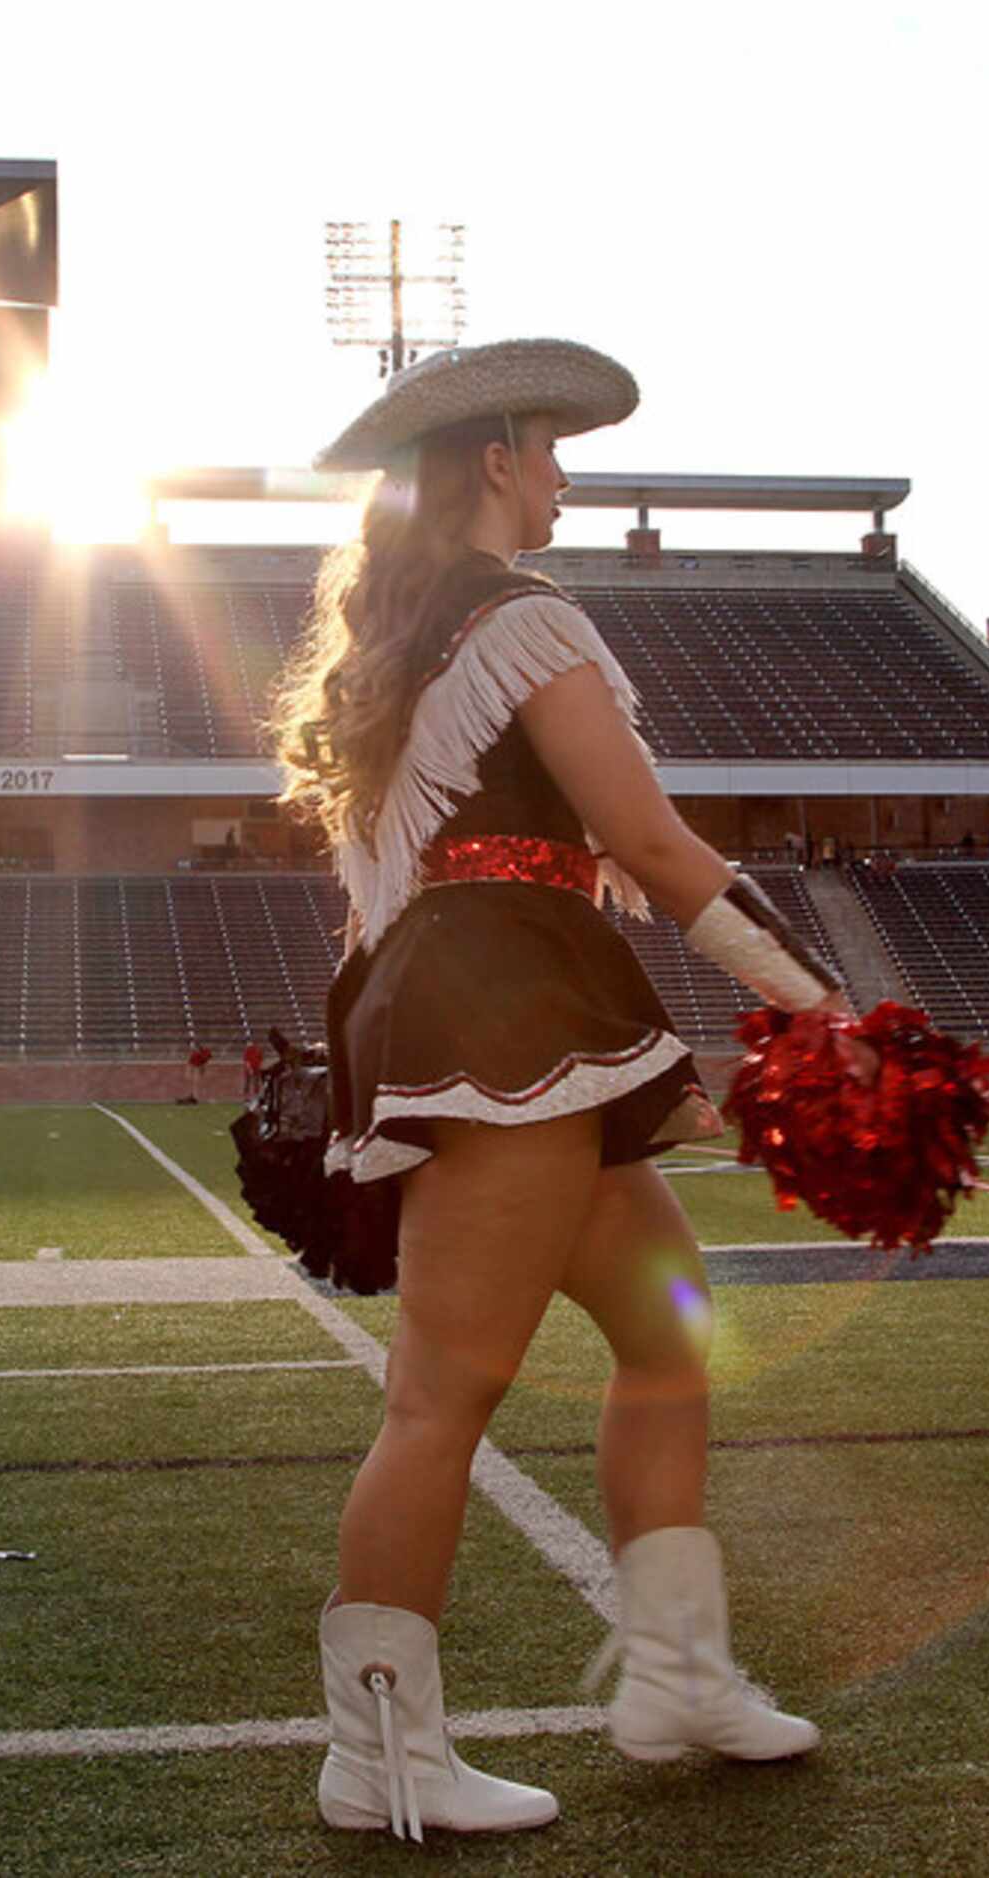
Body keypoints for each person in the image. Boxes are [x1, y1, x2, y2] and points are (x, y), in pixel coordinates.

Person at [273, 338, 837, 1840]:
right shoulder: (523, 619)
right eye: (552, 448)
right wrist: (818, 1001)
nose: (568, 475)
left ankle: (674, 1673)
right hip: (506, 1007)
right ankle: (376, 1749)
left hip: (500, 994)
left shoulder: (401, 645)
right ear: (497, 460)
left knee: (665, 1330)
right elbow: (644, 841)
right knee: (441, 1395)